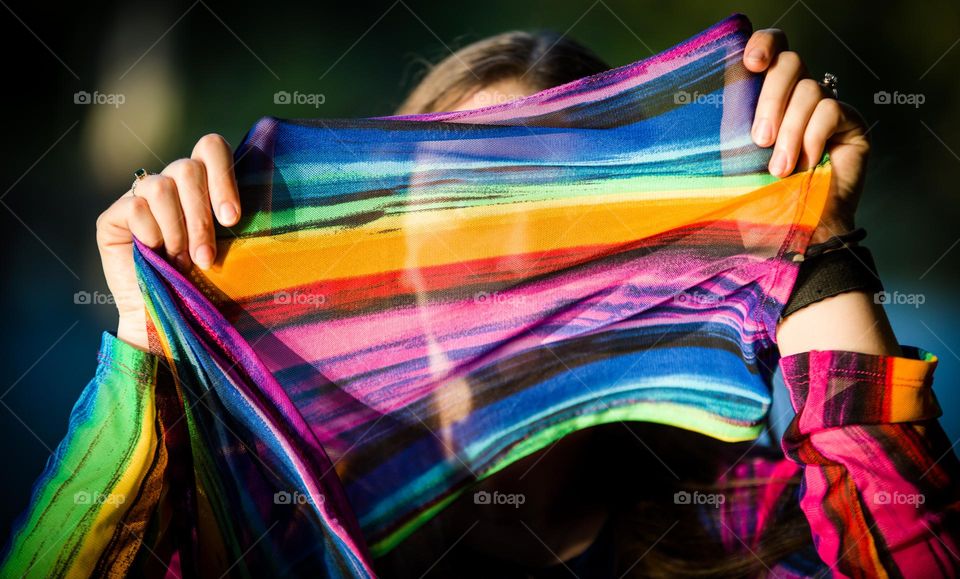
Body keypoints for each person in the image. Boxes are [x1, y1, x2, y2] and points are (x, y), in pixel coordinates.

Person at [74, 28, 960, 577]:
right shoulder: (275, 529)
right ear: (387, 255)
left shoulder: (744, 530)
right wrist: (148, 336)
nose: (500, 258)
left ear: (632, 267)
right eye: (459, 202)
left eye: (555, 214)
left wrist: (816, 243)